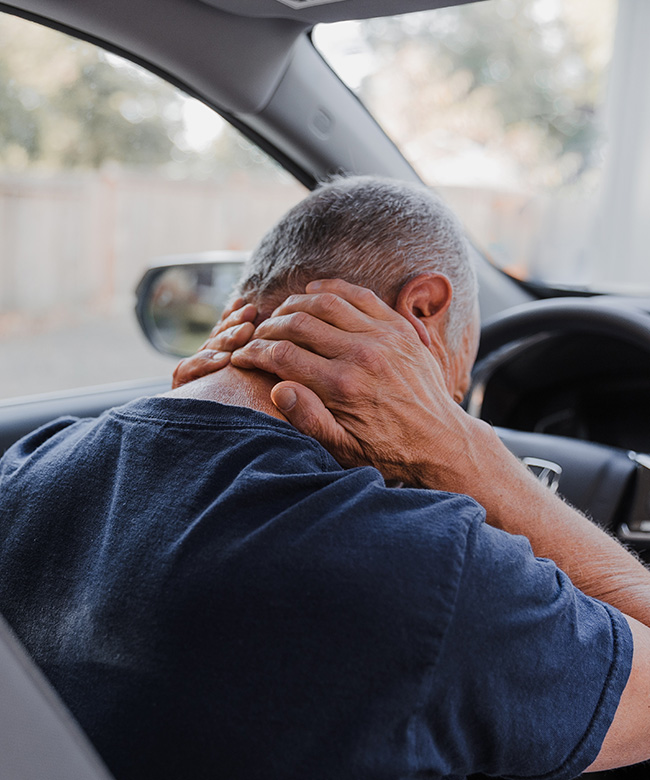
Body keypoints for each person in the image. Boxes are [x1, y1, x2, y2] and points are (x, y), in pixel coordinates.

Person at [0, 176, 649, 780]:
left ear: (242, 305)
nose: (450, 402)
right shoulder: (432, 569)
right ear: (424, 310)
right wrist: (460, 451)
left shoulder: (25, 470)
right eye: (455, 381)